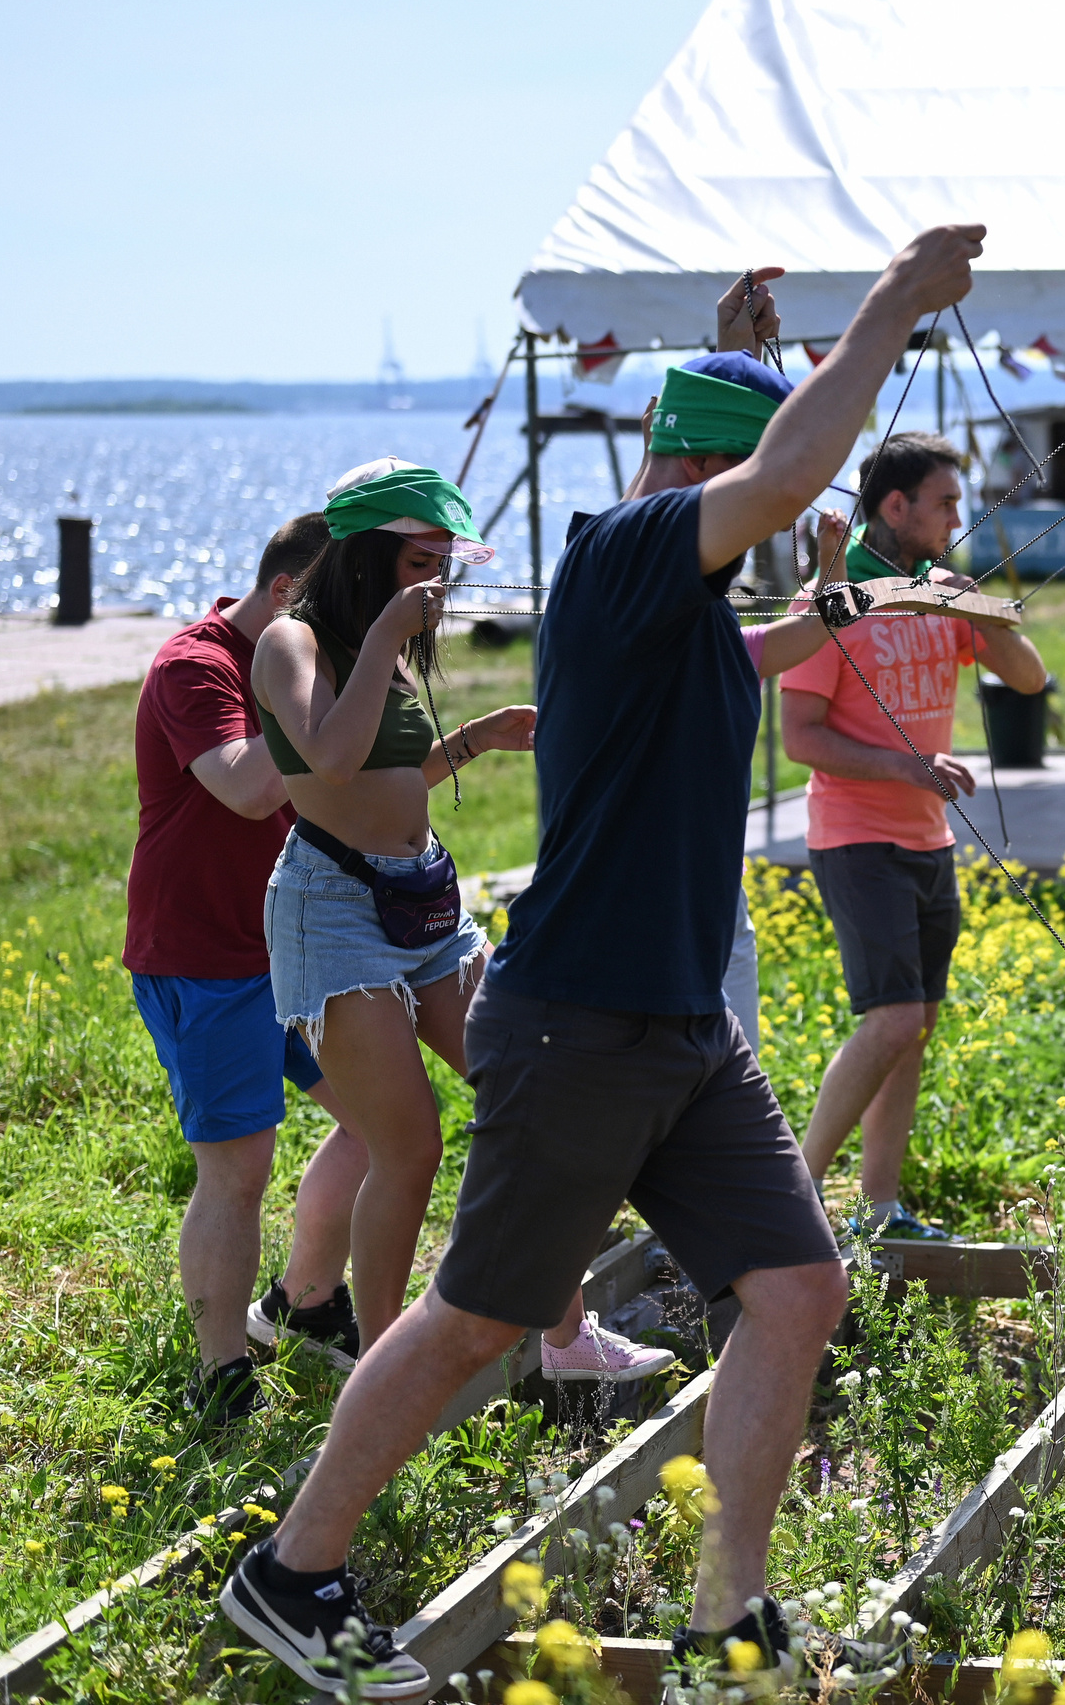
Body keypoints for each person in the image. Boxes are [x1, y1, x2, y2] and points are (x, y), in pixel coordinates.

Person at [218, 223, 985, 1699]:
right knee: (479, 1316)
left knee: (797, 1289)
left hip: (683, 1028)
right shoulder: (634, 551)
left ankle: (725, 1615)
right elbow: (777, 477)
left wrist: (748, 358)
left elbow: (748, 576)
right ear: (712, 470)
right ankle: (291, 1572)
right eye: (756, 474)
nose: (777, 515)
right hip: (581, 1022)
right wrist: (891, 303)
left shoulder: (674, 601)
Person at [251, 461, 662, 1389]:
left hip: (425, 900)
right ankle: (387, 1373)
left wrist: (473, 737)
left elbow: (392, 780)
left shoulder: (379, 639)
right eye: (423, 562)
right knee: (410, 1146)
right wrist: (393, 630)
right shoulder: (292, 641)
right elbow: (328, 755)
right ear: (367, 558)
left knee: (531, 1097)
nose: (440, 583)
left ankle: (567, 1341)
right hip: (335, 910)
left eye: (447, 562)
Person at [127, 515, 370, 1422]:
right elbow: (246, 784)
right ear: (285, 598)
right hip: (203, 957)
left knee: (383, 1125)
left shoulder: (296, 664)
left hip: (288, 946)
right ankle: (222, 1374)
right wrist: (332, 684)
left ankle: (301, 1307)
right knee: (238, 1171)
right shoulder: (193, 666)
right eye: (334, 617)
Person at [781, 431, 1047, 1239]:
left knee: (914, 1027)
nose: (956, 518)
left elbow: (1030, 678)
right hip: (857, 835)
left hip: (928, 840)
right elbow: (801, 736)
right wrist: (906, 765)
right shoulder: (828, 598)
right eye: (944, 504)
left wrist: (977, 611)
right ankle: (788, 1203)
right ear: (894, 506)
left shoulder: (939, 588)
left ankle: (880, 1207)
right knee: (891, 1020)